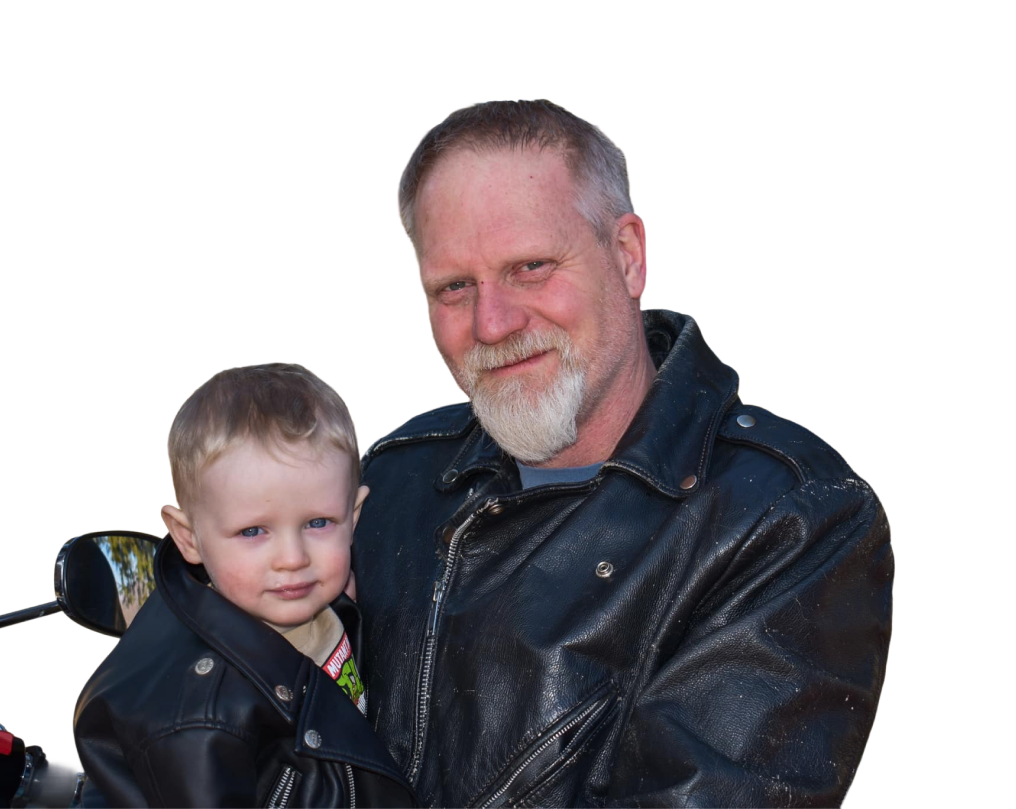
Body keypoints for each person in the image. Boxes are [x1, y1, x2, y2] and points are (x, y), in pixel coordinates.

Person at [353, 102, 892, 807]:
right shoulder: (388, 479)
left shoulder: (791, 517)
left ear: (629, 255)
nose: (492, 323)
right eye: (454, 286)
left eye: (531, 267)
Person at [73, 362, 416, 808]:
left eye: (318, 523)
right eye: (253, 532)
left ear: (353, 517)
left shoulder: (316, 601)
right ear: (188, 538)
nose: (293, 558)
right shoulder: (200, 724)